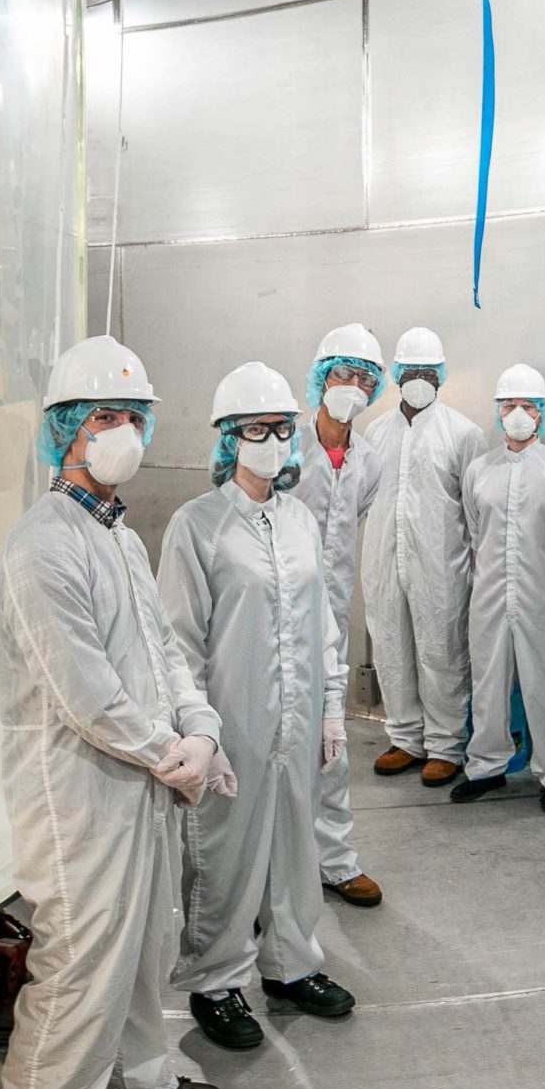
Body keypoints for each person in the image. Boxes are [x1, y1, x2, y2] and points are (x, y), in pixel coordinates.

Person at [0, 335, 231, 1089]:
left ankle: (138, 1078)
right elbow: (86, 693)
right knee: (84, 964)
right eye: (105, 416)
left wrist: (201, 730)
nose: (124, 430)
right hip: (80, 793)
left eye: (135, 415)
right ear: (66, 430)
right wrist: (173, 751)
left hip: (139, 779)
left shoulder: (123, 540)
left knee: (144, 948)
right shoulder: (40, 544)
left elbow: (164, 655)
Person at [159, 362, 359, 1053]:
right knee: (226, 852)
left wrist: (333, 708)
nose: (271, 442)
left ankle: (292, 965)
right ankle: (217, 981)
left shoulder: (300, 519)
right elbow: (177, 643)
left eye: (280, 429)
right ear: (227, 439)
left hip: (299, 722)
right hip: (231, 723)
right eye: (254, 430)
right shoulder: (198, 527)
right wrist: (197, 732)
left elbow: (326, 624)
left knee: (297, 846)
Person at [450, 364, 545, 807]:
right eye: (509, 405)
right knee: (488, 682)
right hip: (489, 592)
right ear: (498, 410)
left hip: (544, 593)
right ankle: (486, 766)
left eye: (528, 406)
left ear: (542, 413)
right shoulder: (478, 471)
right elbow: (475, 531)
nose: (518, 413)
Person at [361, 326, 486, 788]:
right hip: (383, 558)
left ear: (441, 376)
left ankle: (445, 746)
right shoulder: (375, 432)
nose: (418, 379)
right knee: (392, 647)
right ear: (396, 374)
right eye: (410, 370)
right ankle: (405, 737)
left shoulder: (463, 434)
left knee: (442, 653)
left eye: (427, 372)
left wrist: (475, 568)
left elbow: (475, 513)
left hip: (442, 564)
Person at [291, 324, 387, 907]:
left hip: (331, 619)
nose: (351, 387)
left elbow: (354, 521)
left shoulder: (368, 460)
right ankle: (270, 865)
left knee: (332, 740)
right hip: (271, 617)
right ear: (319, 378)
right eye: (342, 374)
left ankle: (335, 860)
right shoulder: (283, 448)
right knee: (264, 742)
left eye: (363, 379)